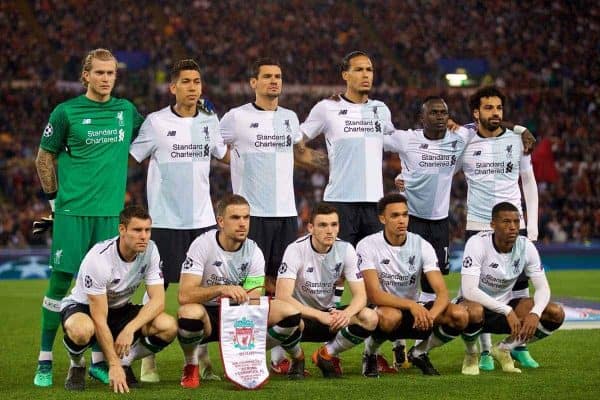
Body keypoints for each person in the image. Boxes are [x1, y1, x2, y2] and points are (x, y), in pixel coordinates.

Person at [33, 48, 144, 387]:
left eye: (111, 73)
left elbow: (157, 130)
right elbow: (43, 159)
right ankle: (45, 360)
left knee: (106, 288)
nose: (106, 79)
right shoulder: (66, 112)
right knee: (61, 282)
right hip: (72, 212)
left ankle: (97, 360)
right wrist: (54, 205)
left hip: (111, 216)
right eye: (99, 73)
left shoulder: (126, 111)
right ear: (86, 76)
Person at [220, 58, 325, 374]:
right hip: (252, 217)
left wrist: (327, 162)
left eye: (277, 77)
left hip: (285, 214)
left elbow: (299, 153)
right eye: (266, 77)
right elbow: (213, 147)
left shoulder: (290, 118)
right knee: (252, 284)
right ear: (253, 82)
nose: (273, 81)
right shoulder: (236, 118)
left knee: (282, 286)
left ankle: (280, 356)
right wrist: (239, 163)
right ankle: (245, 353)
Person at [130, 58, 227, 383]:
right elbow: (132, 158)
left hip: (202, 222)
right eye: (186, 82)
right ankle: (148, 360)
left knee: (205, 293)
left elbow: (222, 154)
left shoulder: (210, 120)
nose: (192, 87)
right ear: (173, 87)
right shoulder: (155, 123)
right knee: (156, 291)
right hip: (165, 222)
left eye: (197, 82)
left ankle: (202, 358)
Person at [176, 194, 305, 388]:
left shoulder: (254, 251)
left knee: (291, 314)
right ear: (220, 221)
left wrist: (243, 298)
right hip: (207, 316)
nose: (242, 223)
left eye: (246, 217)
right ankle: (191, 365)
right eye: (235, 218)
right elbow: (184, 295)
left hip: (238, 314)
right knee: (188, 313)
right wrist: (222, 289)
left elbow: (253, 301)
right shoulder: (202, 245)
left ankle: (249, 357)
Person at [460, 86, 539, 370]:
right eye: (489, 108)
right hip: (478, 224)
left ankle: (517, 347)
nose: (495, 113)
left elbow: (528, 182)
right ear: (476, 113)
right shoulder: (465, 142)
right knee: (481, 293)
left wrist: (533, 225)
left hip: (513, 225)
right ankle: (483, 352)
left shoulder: (518, 140)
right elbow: (442, 169)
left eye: (499, 108)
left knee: (520, 291)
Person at [60, 206, 177, 392]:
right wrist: (111, 365)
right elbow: (99, 318)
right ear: (122, 230)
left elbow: (158, 301)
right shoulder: (99, 259)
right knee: (82, 330)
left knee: (167, 326)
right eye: (137, 230)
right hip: (84, 308)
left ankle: (126, 362)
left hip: (120, 308)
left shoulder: (151, 250)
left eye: (147, 230)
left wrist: (130, 329)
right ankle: (77, 364)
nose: (144, 236)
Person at [358, 193, 470, 376]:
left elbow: (442, 293)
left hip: (414, 309)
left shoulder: (422, 245)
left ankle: (419, 352)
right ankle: (370, 354)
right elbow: (374, 295)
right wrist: (411, 305)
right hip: (382, 308)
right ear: (382, 218)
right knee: (389, 317)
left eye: (405, 214)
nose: (402, 220)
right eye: (395, 216)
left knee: (460, 315)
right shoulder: (368, 245)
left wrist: (431, 316)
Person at [300, 51, 395, 246]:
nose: (365, 74)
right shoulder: (327, 108)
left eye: (369, 70)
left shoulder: (381, 109)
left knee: (372, 271)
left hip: (374, 204)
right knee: (336, 270)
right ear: (345, 75)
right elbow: (295, 143)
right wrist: (325, 163)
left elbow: (398, 143)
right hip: (339, 202)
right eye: (359, 69)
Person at [458, 202, 564, 375]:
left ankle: (504, 348)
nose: (513, 227)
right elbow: (469, 290)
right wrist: (506, 310)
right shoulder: (476, 243)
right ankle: (471, 353)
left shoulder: (526, 246)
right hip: (477, 308)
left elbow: (543, 288)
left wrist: (535, 313)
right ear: (493, 225)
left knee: (555, 313)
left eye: (516, 222)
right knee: (473, 311)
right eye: (506, 222)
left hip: (507, 306)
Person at [275, 203, 378, 378]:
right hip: (300, 318)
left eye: (334, 225)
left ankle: (326, 354)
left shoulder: (346, 250)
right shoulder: (295, 249)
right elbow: (282, 297)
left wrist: (347, 314)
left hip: (331, 318)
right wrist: (318, 315)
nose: (329, 230)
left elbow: (361, 296)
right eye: (322, 225)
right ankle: (297, 358)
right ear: (310, 228)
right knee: (286, 317)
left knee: (370, 317)